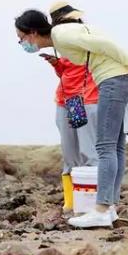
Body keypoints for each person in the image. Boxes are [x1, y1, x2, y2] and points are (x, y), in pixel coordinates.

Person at [15, 2, 128, 228]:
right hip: (116, 80)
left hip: (112, 81)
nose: (22, 43)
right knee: (116, 147)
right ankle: (109, 207)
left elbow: (104, 44)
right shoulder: (68, 36)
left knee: (104, 147)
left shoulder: (61, 34)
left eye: (21, 37)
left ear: (33, 32)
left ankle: (101, 208)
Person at [38, 52, 98, 213]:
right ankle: (71, 202)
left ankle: (93, 204)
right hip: (67, 102)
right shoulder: (64, 47)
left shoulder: (87, 46)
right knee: (69, 155)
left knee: (88, 152)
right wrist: (56, 63)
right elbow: (65, 72)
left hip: (85, 100)